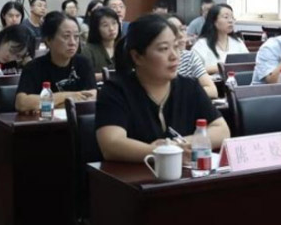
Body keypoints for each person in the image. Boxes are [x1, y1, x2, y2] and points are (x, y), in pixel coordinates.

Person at [95, 15, 230, 163]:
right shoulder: (116, 91)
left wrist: (175, 145)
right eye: (164, 49)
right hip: (135, 175)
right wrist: (161, 152)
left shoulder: (189, 87)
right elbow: (111, 145)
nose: (174, 56)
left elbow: (222, 130)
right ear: (137, 57)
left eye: (176, 46)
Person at [15, 12, 97, 112]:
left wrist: (49, 104)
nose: (73, 42)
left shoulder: (83, 63)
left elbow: (93, 96)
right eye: (66, 36)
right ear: (49, 40)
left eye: (76, 36)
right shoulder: (33, 67)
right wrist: (70, 96)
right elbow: (21, 103)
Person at [166, 14, 217, 99]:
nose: (181, 35)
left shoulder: (189, 56)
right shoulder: (158, 61)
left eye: (182, 29)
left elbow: (212, 91)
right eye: (173, 31)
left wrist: (183, 94)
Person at [191, 3, 248, 75]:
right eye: (226, 17)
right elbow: (192, 70)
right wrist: (220, 68)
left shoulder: (238, 42)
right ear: (214, 21)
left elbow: (248, 64)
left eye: (232, 17)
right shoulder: (201, 45)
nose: (231, 21)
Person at [80, 6, 120, 75]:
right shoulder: (88, 51)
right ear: (96, 28)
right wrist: (110, 75)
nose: (111, 28)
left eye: (114, 23)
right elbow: (85, 76)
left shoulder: (123, 46)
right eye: (105, 25)